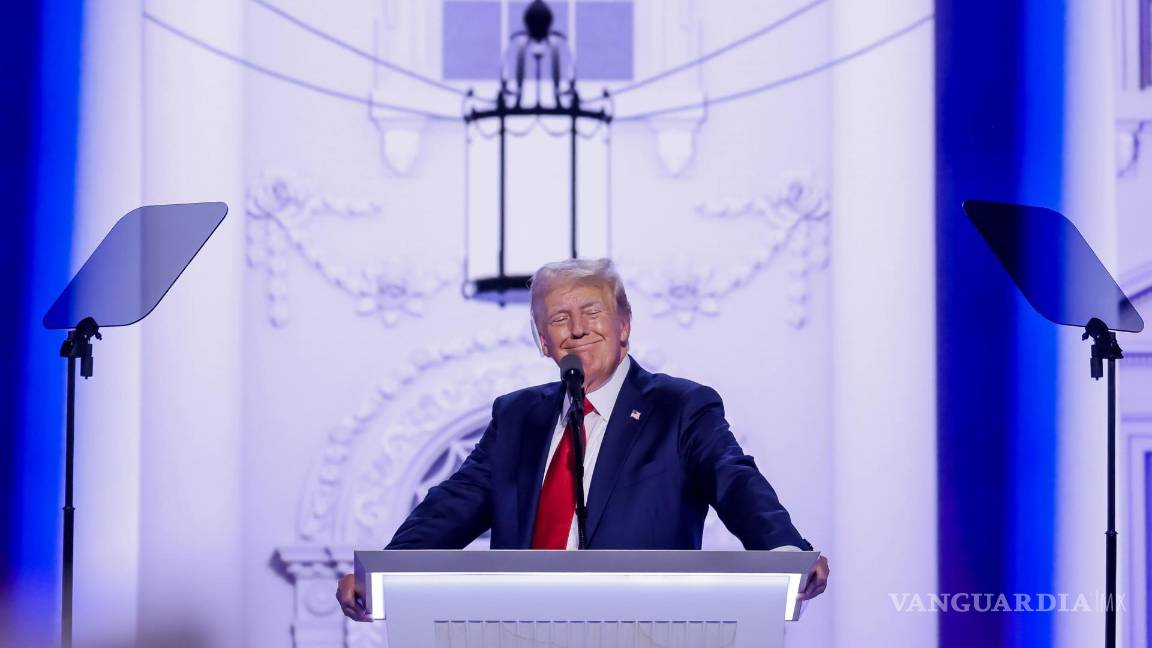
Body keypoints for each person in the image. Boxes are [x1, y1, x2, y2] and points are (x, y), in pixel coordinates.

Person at [337, 258, 829, 621]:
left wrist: (783, 549)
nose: (576, 329)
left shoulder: (680, 408)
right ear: (543, 342)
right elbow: (449, 507)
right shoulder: (517, 418)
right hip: (519, 629)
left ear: (624, 325)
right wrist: (380, 574)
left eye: (591, 311)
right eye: (557, 319)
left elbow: (734, 480)